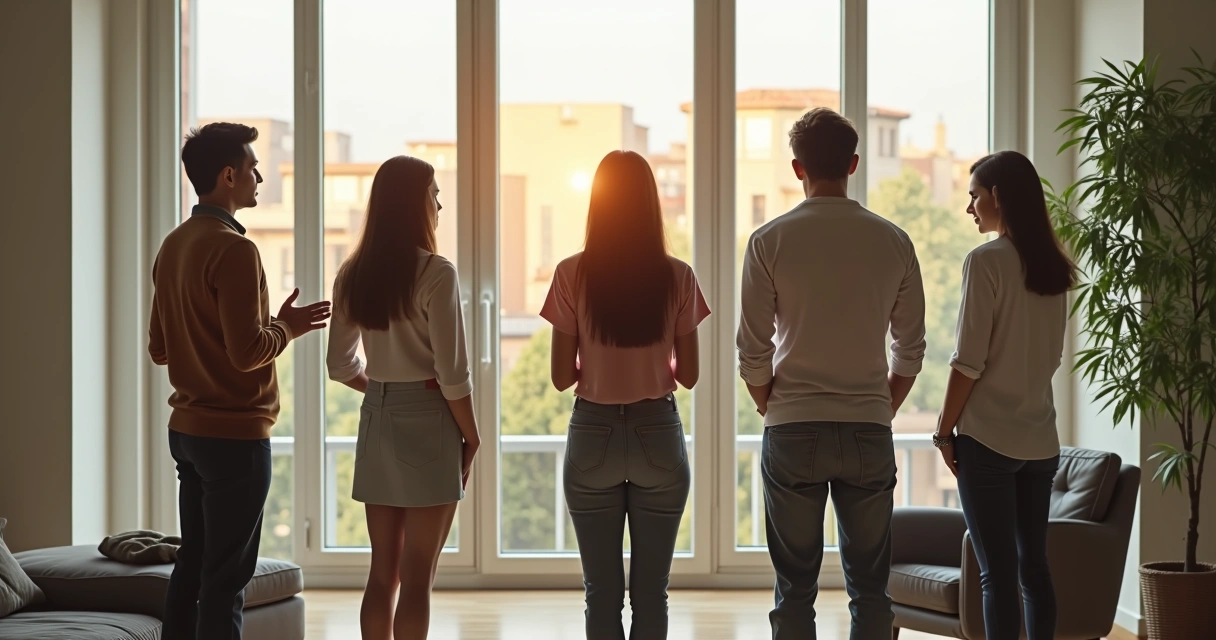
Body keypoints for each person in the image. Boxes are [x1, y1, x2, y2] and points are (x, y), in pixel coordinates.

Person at [737, 107, 927, 640]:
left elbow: (752, 350)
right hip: (868, 426)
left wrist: (770, 403)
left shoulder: (769, 240)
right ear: (854, 164)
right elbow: (910, 348)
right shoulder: (894, 241)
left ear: (797, 168)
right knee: (871, 589)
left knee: (794, 588)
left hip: (792, 427)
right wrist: (881, 404)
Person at [149, 122, 332, 639]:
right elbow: (248, 352)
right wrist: (287, 327)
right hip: (234, 438)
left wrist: (241, 332)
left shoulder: (173, 245)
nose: (259, 177)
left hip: (186, 433)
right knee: (226, 579)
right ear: (229, 176)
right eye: (253, 168)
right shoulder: (235, 250)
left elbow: (160, 349)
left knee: (192, 564)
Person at [541, 150, 709, 640]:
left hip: (593, 432)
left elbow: (560, 376)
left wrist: (601, 365)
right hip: (657, 431)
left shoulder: (570, 273)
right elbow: (690, 374)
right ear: (650, 204)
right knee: (652, 593)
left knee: (601, 594)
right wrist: (651, 364)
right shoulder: (678, 275)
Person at [326, 155, 480, 640]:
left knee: (382, 573)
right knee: (417, 576)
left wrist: (381, 391)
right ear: (415, 204)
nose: (439, 205)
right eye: (434, 195)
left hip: (377, 417)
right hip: (431, 418)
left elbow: (339, 365)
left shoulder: (352, 273)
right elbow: (452, 375)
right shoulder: (436, 272)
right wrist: (472, 437)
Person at [932, 150, 1076, 640]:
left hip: (988, 440)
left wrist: (943, 431)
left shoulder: (985, 261)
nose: (969, 207)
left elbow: (967, 363)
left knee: (996, 574)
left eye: (974, 196)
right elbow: (1052, 357)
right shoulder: (1054, 267)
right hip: (1040, 441)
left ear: (997, 196)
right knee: (1034, 567)